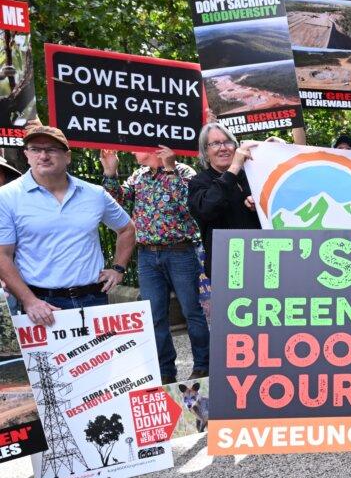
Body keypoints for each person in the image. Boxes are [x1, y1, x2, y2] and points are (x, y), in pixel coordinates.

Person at [0, 125, 134, 326]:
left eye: (52, 149)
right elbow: (3, 255)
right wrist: (29, 300)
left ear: (67, 156)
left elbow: (127, 229)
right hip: (42, 306)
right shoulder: (7, 197)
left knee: (99, 358)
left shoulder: (94, 194)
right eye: (36, 149)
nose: (43, 156)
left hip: (94, 300)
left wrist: (118, 268)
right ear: (27, 154)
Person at [101, 146, 207, 383]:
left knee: (191, 311)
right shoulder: (138, 176)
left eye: (135, 149)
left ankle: (203, 365)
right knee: (155, 315)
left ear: (152, 150)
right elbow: (115, 201)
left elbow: (187, 205)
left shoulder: (183, 172)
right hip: (148, 255)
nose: (130, 153)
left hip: (180, 251)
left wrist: (169, 170)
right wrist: (110, 172)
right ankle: (166, 371)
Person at [187, 123, 261, 283]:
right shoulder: (199, 182)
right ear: (205, 153)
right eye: (215, 143)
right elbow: (206, 209)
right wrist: (234, 168)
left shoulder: (253, 175)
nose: (223, 148)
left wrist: (260, 205)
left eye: (228, 142)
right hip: (226, 267)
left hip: (262, 262)